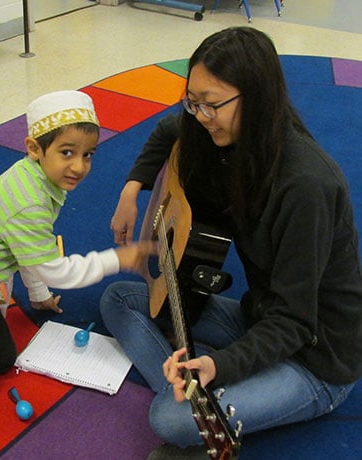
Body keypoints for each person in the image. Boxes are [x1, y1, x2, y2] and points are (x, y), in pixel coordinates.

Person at [100, 27, 362, 459]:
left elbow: (296, 320)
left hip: (316, 358)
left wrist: (220, 366)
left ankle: (197, 398)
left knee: (169, 418)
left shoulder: (306, 186)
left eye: (212, 104)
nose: (200, 115)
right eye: (193, 100)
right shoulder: (223, 132)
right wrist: (133, 188)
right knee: (119, 299)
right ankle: (200, 388)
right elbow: (171, 130)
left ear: (256, 98)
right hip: (259, 316)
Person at [0, 90, 152, 398]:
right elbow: (55, 270)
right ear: (35, 149)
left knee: (3, 359)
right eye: (67, 153)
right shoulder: (29, 202)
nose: (79, 166)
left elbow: (29, 251)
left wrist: (38, 295)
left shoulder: (36, 179)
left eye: (88, 154)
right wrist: (118, 259)